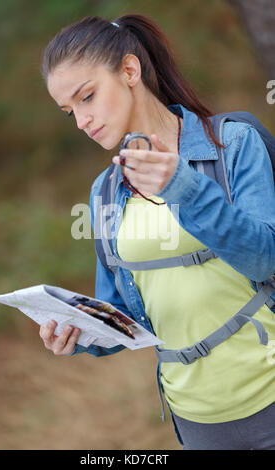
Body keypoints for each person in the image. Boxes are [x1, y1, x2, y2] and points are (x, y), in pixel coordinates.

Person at [39, 14, 275, 450]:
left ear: (130, 71)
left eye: (87, 96)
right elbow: (120, 314)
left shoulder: (235, 145)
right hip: (196, 416)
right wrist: (80, 334)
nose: (81, 121)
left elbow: (265, 258)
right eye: (70, 111)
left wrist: (183, 188)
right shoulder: (105, 191)